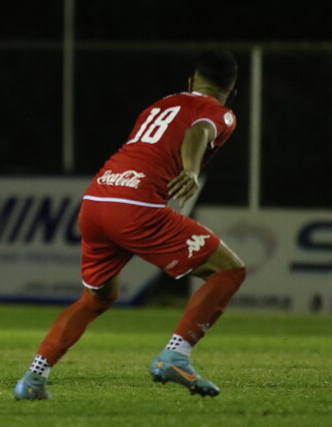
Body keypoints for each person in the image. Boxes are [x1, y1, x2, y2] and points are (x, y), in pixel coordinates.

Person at [14, 50, 245, 399]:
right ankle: (175, 355)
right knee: (230, 270)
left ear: (189, 81)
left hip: (97, 199)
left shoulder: (158, 106)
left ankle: (33, 379)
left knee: (96, 298)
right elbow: (199, 131)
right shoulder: (220, 112)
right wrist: (192, 170)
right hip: (135, 205)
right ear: (232, 91)